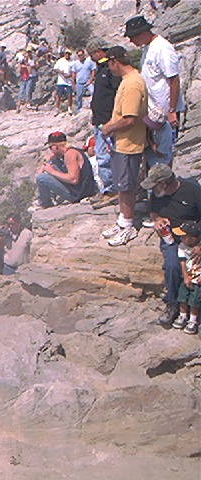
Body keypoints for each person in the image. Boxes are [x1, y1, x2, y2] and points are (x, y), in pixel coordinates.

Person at [141, 164, 201, 326]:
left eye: (155, 185)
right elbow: (153, 211)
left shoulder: (193, 190)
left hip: (194, 236)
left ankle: (195, 308)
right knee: (173, 266)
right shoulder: (157, 194)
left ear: (164, 183)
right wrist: (157, 220)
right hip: (171, 238)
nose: (152, 189)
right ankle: (173, 304)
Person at [100, 46, 148, 247]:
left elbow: (129, 119)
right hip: (122, 142)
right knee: (122, 184)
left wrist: (108, 128)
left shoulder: (132, 84)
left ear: (115, 62)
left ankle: (128, 225)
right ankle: (122, 221)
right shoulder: (129, 80)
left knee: (126, 186)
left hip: (129, 144)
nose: (109, 69)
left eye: (109, 64)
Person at [124, 15, 180, 168]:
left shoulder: (162, 48)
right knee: (153, 154)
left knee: (163, 154)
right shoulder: (148, 48)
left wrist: (172, 110)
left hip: (164, 112)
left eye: (132, 37)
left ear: (142, 33)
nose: (131, 41)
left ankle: (166, 181)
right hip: (153, 112)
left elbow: (174, 79)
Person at [87, 39, 121, 203]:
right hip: (100, 121)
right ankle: (107, 188)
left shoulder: (110, 70)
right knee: (101, 155)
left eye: (93, 54)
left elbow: (116, 94)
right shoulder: (101, 70)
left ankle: (113, 189)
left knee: (107, 156)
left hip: (109, 121)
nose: (91, 57)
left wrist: (114, 119)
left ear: (100, 51)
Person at [35, 131, 98, 208]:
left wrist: (51, 171)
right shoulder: (71, 152)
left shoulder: (70, 154)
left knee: (41, 178)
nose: (51, 150)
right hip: (83, 191)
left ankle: (46, 204)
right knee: (52, 166)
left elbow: (73, 179)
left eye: (50, 147)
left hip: (79, 194)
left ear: (55, 147)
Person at [170, 222, 201, 335]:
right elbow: (182, 262)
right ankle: (182, 316)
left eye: (184, 236)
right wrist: (185, 277)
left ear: (193, 238)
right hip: (188, 276)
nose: (181, 238)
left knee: (195, 301)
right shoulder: (182, 246)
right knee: (183, 297)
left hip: (198, 280)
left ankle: (193, 320)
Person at [54, 50, 74, 114]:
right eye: (66, 53)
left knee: (69, 95)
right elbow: (55, 68)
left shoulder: (72, 62)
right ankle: (57, 108)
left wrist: (69, 75)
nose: (67, 55)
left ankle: (69, 108)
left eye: (68, 54)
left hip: (69, 81)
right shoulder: (60, 61)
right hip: (61, 81)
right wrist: (61, 72)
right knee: (59, 95)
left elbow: (74, 71)